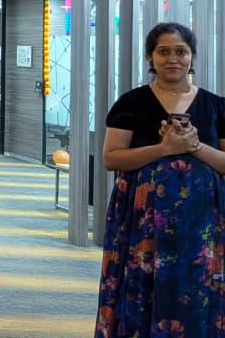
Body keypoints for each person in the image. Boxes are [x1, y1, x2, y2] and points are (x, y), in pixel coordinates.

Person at [95, 22, 225, 338]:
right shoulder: (131, 102)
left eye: (181, 51)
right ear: (151, 57)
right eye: (163, 51)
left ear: (192, 57)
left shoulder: (216, 105)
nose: (172, 59)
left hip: (201, 225)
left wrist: (194, 146)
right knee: (141, 287)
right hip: (142, 223)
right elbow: (112, 158)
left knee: (195, 287)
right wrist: (163, 149)